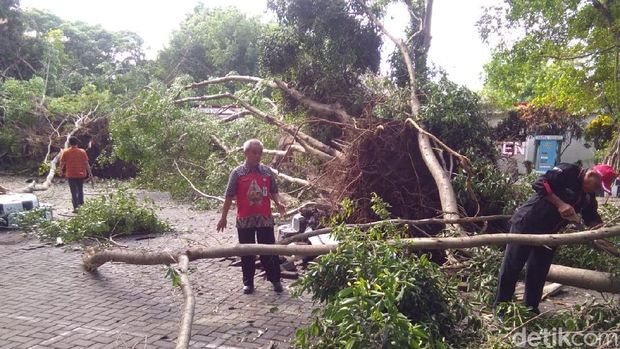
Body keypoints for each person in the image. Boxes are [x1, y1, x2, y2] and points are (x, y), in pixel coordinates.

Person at [494, 163, 618, 315]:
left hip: (551, 235)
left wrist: (602, 233)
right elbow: (540, 183)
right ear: (592, 174)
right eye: (597, 184)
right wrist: (560, 204)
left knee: (538, 272)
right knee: (512, 268)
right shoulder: (568, 171)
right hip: (526, 225)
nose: (597, 188)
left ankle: (530, 310)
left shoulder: (588, 196)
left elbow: (591, 217)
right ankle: (500, 309)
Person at [217, 139, 287, 294]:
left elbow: (273, 191)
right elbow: (229, 196)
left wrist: (279, 203)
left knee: (269, 250)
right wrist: (223, 218)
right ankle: (248, 283)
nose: (257, 156)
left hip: (265, 219)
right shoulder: (237, 173)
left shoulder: (267, 172)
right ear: (246, 153)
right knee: (247, 251)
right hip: (245, 220)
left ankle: (275, 280)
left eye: (260, 153)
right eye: (254, 152)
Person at [59, 137, 92, 212]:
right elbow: (86, 163)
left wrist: (60, 171)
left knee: (73, 191)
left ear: (69, 143)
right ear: (77, 143)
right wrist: (90, 173)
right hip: (81, 174)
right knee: (80, 191)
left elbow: (62, 163)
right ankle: (82, 207)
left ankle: (75, 208)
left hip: (71, 175)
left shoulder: (66, 152)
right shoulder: (82, 152)